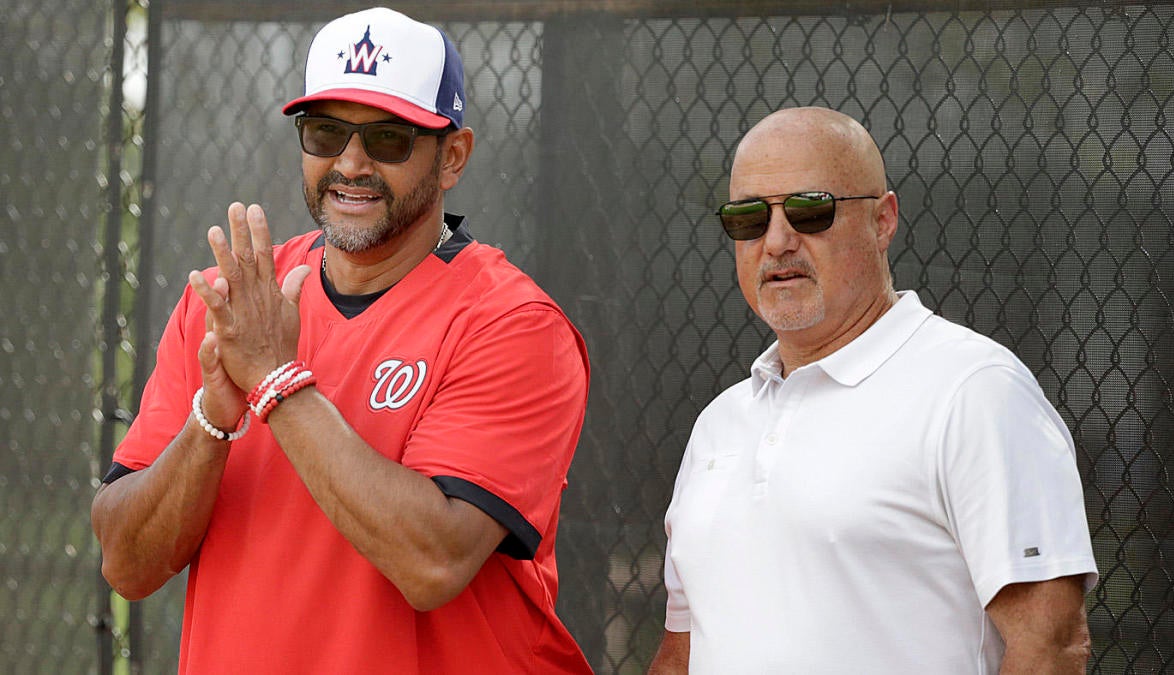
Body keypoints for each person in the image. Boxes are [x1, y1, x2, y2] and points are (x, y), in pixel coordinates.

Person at [91, 8, 592, 673]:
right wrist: (211, 417)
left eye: (388, 138)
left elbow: (433, 559)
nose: (351, 162)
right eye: (326, 131)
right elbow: (127, 562)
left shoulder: (512, 323)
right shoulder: (233, 300)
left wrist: (275, 380)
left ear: (453, 157)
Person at [649, 107, 1098, 674]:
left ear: (883, 221)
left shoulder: (974, 391)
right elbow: (683, 654)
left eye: (811, 211)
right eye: (748, 218)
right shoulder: (719, 424)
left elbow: (1049, 648)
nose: (778, 241)